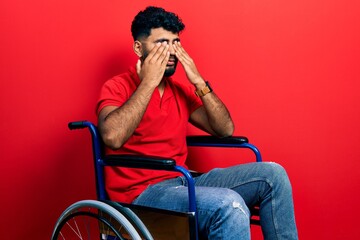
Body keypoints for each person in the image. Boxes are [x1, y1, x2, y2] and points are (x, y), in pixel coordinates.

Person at [96, 6, 298, 240]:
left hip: (184, 180)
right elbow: (112, 137)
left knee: (273, 175)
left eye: (176, 43)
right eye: (162, 43)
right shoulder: (117, 86)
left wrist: (198, 80)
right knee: (228, 204)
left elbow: (225, 129)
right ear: (139, 48)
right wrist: (148, 83)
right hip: (142, 193)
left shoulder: (179, 91)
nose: (171, 52)